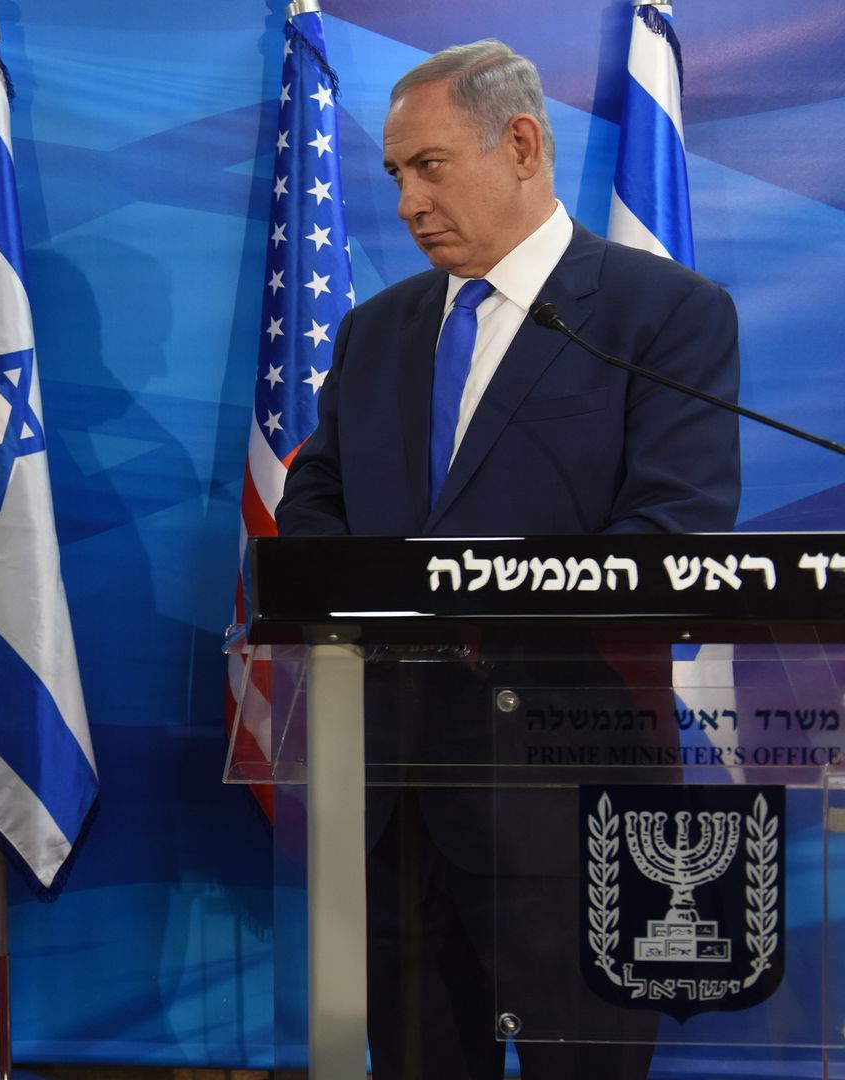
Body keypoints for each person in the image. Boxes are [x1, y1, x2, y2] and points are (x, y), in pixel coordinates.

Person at [276, 40, 740, 1080]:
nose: (404, 201)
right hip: (393, 801)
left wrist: (461, 605)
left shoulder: (661, 317)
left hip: (571, 795)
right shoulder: (374, 333)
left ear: (522, 144)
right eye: (395, 173)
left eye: (429, 166)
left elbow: (675, 535)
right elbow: (316, 512)